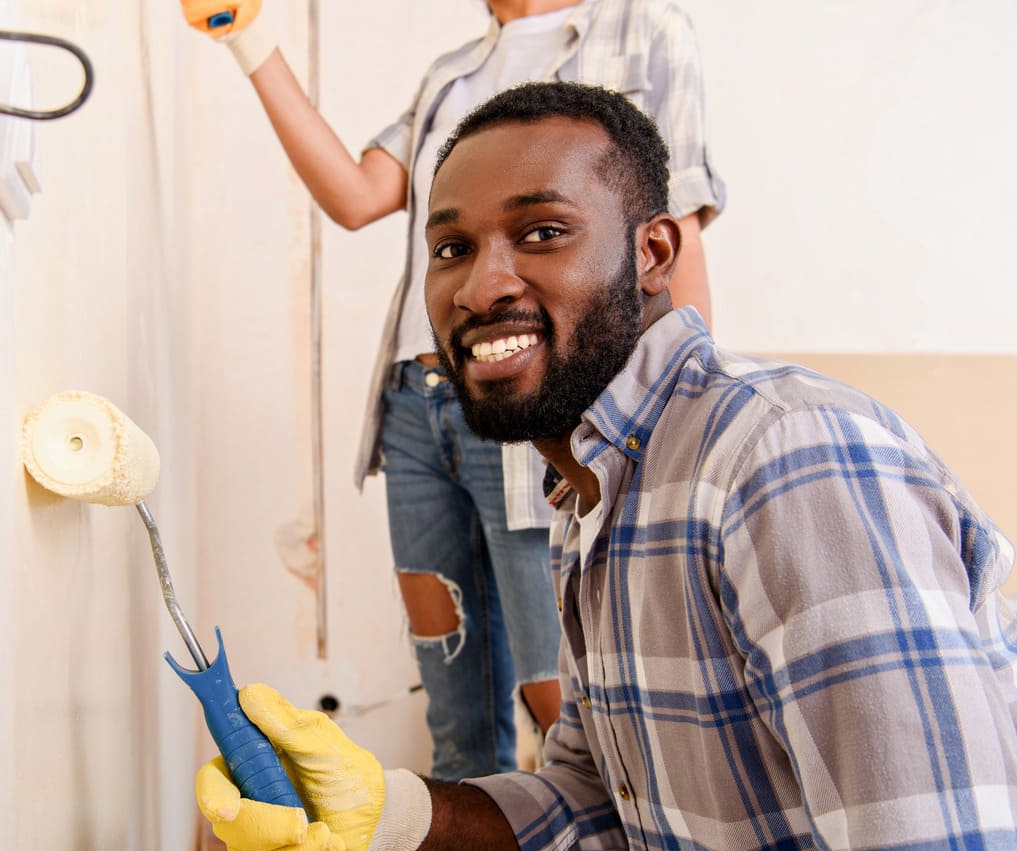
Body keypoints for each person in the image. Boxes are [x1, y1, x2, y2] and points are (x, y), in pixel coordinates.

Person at [194, 82, 1017, 851]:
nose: (481, 283)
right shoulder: (594, 496)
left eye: (541, 232)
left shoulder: (781, 460)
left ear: (653, 252)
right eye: (452, 248)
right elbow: (595, 802)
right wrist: (391, 812)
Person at [177, 0, 725, 781]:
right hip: (419, 405)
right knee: (454, 715)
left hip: (547, 410)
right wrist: (248, 36)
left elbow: (676, 230)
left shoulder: (644, 33)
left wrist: (686, 416)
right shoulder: (451, 74)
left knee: (560, 703)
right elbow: (357, 194)